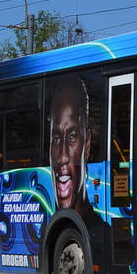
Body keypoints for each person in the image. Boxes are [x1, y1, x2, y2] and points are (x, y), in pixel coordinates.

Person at [49, 76, 95, 216]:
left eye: (72, 137)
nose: (62, 157)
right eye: (56, 139)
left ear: (87, 144)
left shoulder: (101, 229)